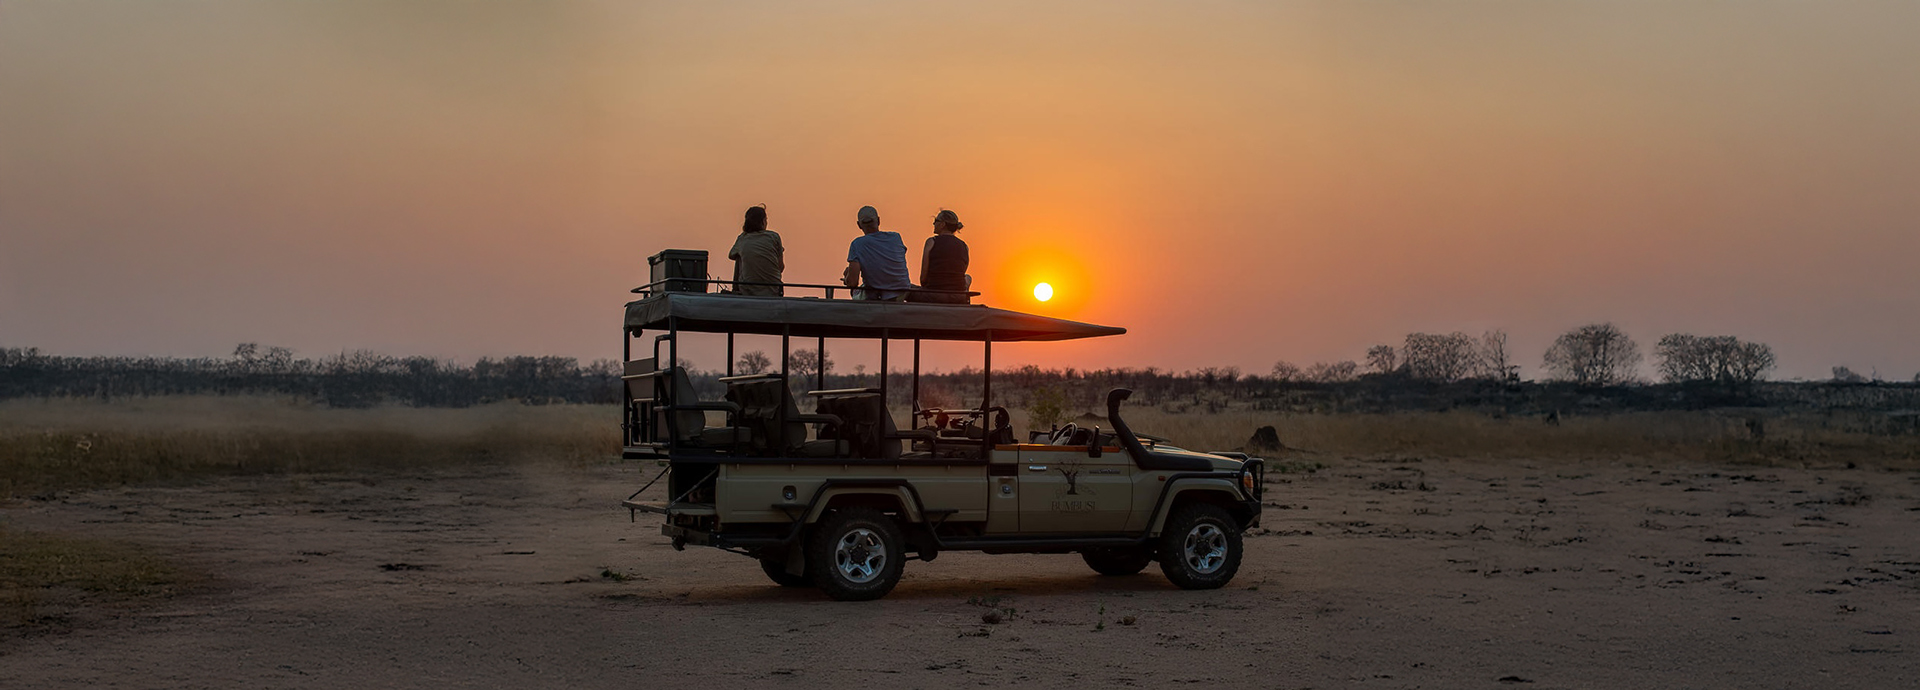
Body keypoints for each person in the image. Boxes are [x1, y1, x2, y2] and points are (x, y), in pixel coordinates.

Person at [842, 205, 910, 301]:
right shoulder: (896, 237)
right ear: (878, 220)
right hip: (902, 292)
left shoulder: (857, 244)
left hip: (880, 296)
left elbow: (853, 283)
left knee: (855, 292)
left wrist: (847, 277)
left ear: (859, 225)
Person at [910, 209, 970, 303]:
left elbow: (923, 278)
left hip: (935, 294)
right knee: (968, 277)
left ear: (942, 224)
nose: (933, 224)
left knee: (906, 287)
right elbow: (962, 271)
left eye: (936, 221)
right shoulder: (964, 246)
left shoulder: (931, 242)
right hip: (958, 296)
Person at [728, 205, 784, 296]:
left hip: (748, 290)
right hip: (773, 289)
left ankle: (736, 290)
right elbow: (780, 267)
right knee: (739, 255)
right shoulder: (774, 237)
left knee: (738, 256)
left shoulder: (743, 238)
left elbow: (731, 255)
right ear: (763, 221)